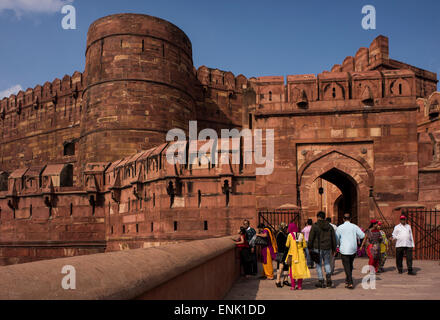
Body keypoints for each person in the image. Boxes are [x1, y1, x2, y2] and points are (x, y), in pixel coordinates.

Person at [308, 211, 337, 288]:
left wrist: (309, 247)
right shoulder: (330, 226)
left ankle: (321, 280)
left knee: (318, 264)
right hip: (327, 247)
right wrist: (334, 249)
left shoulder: (315, 226)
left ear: (318, 217)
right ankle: (328, 280)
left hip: (317, 248)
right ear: (324, 217)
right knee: (327, 263)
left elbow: (311, 238)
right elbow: (333, 238)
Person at [335, 213, 365, 289]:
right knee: (350, 265)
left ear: (343, 219)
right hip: (353, 249)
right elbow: (362, 235)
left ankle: (350, 282)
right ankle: (348, 280)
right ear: (350, 219)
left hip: (344, 249)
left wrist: (337, 245)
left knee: (347, 266)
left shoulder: (340, 227)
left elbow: (336, 239)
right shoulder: (354, 226)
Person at [285, 222, 311, 290]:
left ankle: (293, 286)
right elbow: (304, 245)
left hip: (292, 255)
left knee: (292, 270)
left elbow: (287, 245)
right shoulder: (301, 235)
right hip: (300, 255)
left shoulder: (290, 235)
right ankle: (299, 286)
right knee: (300, 270)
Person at [275, 223, 290, 287]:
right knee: (281, 267)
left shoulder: (284, 234)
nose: (286, 229)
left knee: (286, 267)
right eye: (285, 228)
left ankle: (285, 280)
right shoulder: (280, 234)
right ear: (282, 227)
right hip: (282, 253)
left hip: (285, 252)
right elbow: (281, 245)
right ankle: (278, 280)